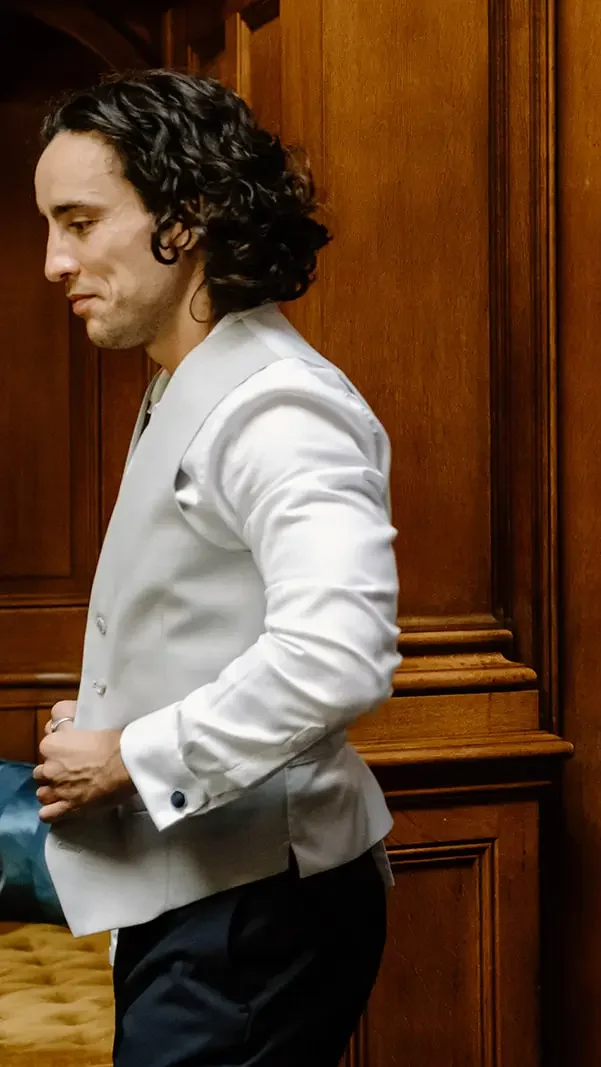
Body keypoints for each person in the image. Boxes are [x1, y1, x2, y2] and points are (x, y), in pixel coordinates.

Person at [30, 70, 397, 1065]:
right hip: (201, 893)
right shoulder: (189, 379)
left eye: (79, 221)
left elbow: (338, 654)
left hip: (257, 912)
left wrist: (130, 755)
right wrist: (114, 715)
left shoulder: (277, 404)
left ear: (186, 218)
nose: (55, 262)